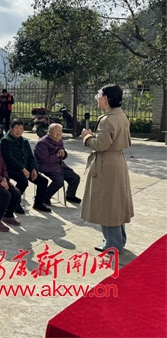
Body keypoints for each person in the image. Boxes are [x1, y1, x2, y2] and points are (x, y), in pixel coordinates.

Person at [80, 84, 133, 253]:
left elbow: (100, 145)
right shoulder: (120, 115)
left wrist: (87, 137)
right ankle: (117, 240)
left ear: (105, 98)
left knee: (108, 205)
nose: (97, 98)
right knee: (115, 203)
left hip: (106, 164)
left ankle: (113, 244)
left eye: (99, 95)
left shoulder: (108, 119)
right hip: (116, 161)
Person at [0, 119, 50, 214]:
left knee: (43, 181)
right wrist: (22, 168)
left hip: (26, 168)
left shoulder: (24, 141)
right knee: (23, 181)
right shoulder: (5, 141)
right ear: (11, 128)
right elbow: (8, 159)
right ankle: (15, 203)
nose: (19, 131)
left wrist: (34, 168)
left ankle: (38, 203)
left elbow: (31, 156)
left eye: (21, 129)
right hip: (11, 168)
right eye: (16, 128)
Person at [34, 123, 81, 205]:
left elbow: (63, 155)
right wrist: (57, 155)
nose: (59, 133)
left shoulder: (59, 141)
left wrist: (63, 153)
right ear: (49, 131)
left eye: (60, 131)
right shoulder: (42, 142)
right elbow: (45, 159)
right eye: (56, 131)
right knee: (59, 181)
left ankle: (70, 195)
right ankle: (45, 196)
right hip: (45, 166)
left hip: (59, 164)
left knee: (75, 178)